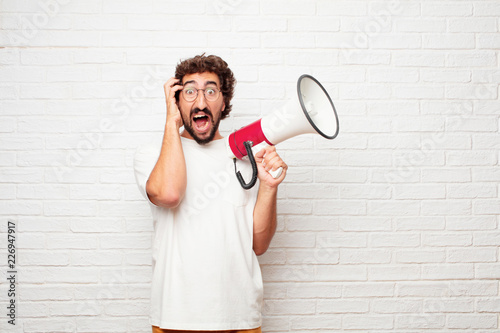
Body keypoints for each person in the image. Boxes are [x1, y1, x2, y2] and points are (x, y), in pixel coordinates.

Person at [133, 54, 287, 333]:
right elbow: (169, 194)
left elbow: (259, 244)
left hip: (240, 319)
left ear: (224, 103)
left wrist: (268, 186)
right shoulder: (152, 156)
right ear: (177, 101)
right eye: (189, 92)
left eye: (211, 91)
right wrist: (171, 120)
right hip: (175, 319)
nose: (200, 102)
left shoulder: (246, 160)